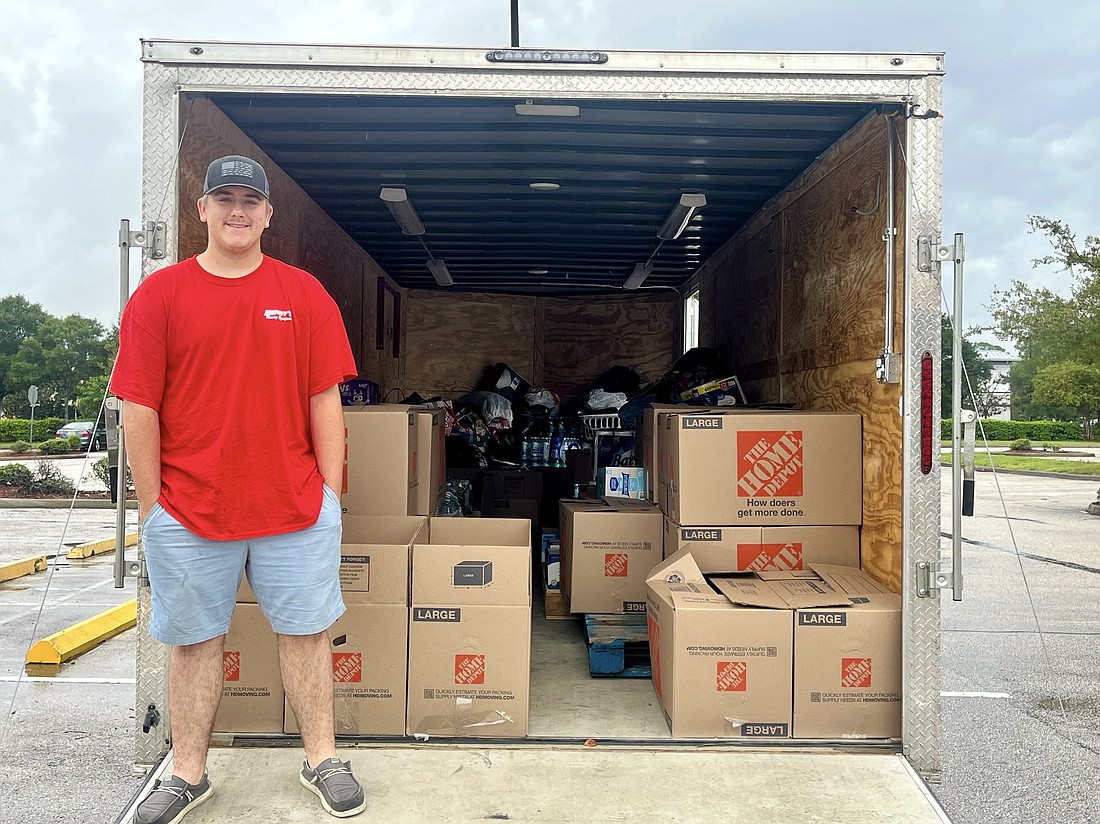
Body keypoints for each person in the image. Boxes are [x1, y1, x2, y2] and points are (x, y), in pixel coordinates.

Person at [111, 155, 364, 822]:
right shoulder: (159, 297)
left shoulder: (304, 294)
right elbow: (140, 407)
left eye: (249, 199)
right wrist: (152, 507)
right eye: (222, 197)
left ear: (269, 214)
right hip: (190, 510)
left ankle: (322, 759)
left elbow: (325, 402)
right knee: (193, 643)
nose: (236, 210)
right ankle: (187, 773)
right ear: (202, 210)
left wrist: (329, 496)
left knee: (307, 635)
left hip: (294, 507)